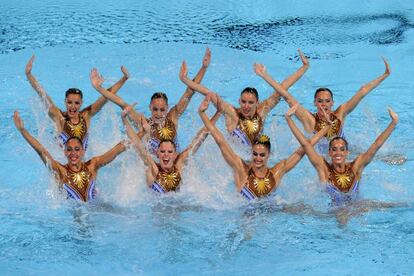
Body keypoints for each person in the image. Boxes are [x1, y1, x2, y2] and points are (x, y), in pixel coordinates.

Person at [198, 96, 330, 200]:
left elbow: (303, 149)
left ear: (269, 155)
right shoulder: (241, 169)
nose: (257, 158)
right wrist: (203, 114)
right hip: (243, 217)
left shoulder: (276, 173)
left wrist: (325, 129)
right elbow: (221, 142)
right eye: (255, 154)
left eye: (262, 155)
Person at [253, 58, 390, 153]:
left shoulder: (340, 114)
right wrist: (265, 76)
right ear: (314, 103)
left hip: (343, 154)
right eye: (320, 101)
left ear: (332, 103)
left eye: (327, 101)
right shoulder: (310, 120)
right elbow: (285, 94)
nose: (324, 105)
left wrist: (385, 75)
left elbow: (362, 91)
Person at [92, 48, 212, 154]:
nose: (159, 113)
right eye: (155, 109)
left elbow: (189, 92)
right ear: (150, 107)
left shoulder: (173, 117)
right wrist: (99, 88)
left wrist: (204, 67)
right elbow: (121, 102)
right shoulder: (143, 122)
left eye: (162, 110)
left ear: (167, 108)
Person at [180, 49, 310, 146]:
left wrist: (304, 68)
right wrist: (185, 80)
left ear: (256, 103)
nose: (246, 106)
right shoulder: (232, 113)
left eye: (250, 102)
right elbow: (208, 93)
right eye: (243, 102)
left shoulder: (262, 111)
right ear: (239, 101)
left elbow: (282, 88)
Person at [285, 104, 398, 205]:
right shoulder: (324, 169)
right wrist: (289, 119)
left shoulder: (355, 167)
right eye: (334, 149)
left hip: (358, 207)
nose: (338, 152)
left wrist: (393, 123)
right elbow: (305, 144)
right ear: (329, 152)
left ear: (347, 152)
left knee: (394, 205)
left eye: (341, 149)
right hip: (336, 212)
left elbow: (376, 145)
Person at [13, 111, 127, 202]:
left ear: (83, 151)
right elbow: (41, 151)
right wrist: (23, 131)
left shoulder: (92, 165)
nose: (73, 153)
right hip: (78, 214)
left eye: (77, 149)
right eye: (69, 149)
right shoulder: (61, 171)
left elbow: (119, 148)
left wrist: (142, 133)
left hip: (98, 208)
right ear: (65, 152)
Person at [25, 55, 129, 149]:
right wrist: (29, 74)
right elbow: (42, 94)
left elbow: (106, 97)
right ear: (65, 102)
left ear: (81, 103)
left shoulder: (86, 116)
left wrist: (124, 78)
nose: (73, 107)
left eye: (77, 103)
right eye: (70, 102)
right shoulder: (59, 116)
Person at [122, 100, 222, 193]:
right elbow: (136, 143)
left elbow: (199, 139)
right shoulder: (153, 169)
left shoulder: (179, 166)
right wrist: (124, 119)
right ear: (157, 153)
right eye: (162, 152)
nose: (166, 155)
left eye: (169, 152)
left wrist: (217, 114)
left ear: (175, 155)